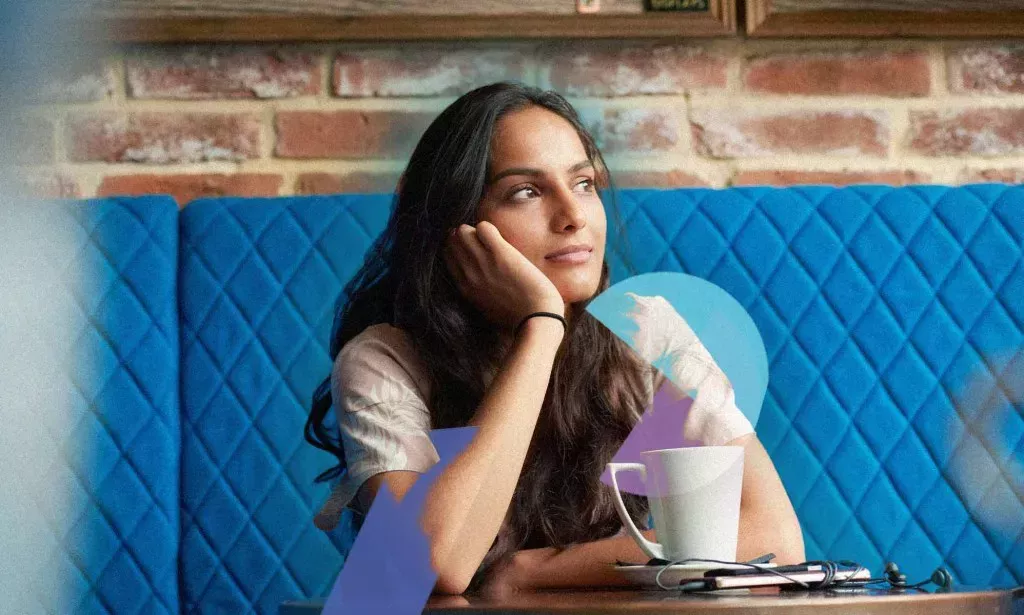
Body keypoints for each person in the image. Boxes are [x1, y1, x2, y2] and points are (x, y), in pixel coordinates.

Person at [305, 82, 804, 596]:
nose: (574, 216)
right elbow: (436, 565)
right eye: (527, 191)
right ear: (456, 227)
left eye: (584, 183)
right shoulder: (386, 359)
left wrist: (530, 572)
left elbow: (773, 539)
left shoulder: (641, 335)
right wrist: (540, 328)